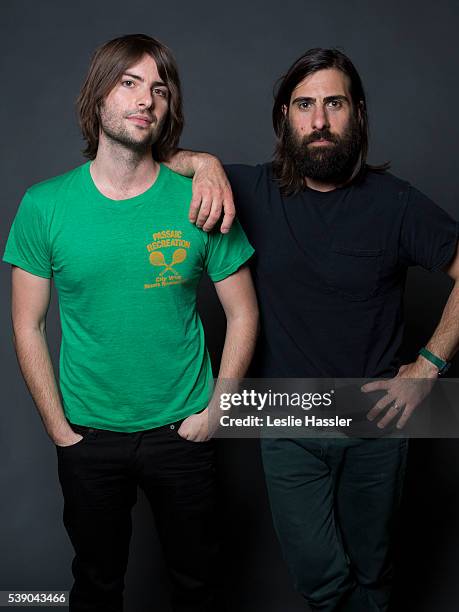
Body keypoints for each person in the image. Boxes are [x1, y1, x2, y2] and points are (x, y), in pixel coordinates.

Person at [165, 48, 459, 611]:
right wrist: (204, 162)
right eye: (304, 105)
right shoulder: (249, 190)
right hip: (286, 417)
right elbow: (156, 160)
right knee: (321, 582)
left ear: (358, 114)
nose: (318, 120)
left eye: (333, 103)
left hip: (376, 418)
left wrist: (429, 368)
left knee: (374, 573)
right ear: (284, 117)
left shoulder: (396, 205)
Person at [2, 34, 258, 612]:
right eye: (130, 83)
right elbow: (27, 325)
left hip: (182, 432)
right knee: (96, 587)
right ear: (98, 96)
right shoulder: (44, 206)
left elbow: (243, 312)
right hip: (89, 434)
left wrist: (217, 410)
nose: (146, 99)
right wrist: (58, 430)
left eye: (159, 90)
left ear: (168, 110)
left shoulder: (199, 199)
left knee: (199, 586)